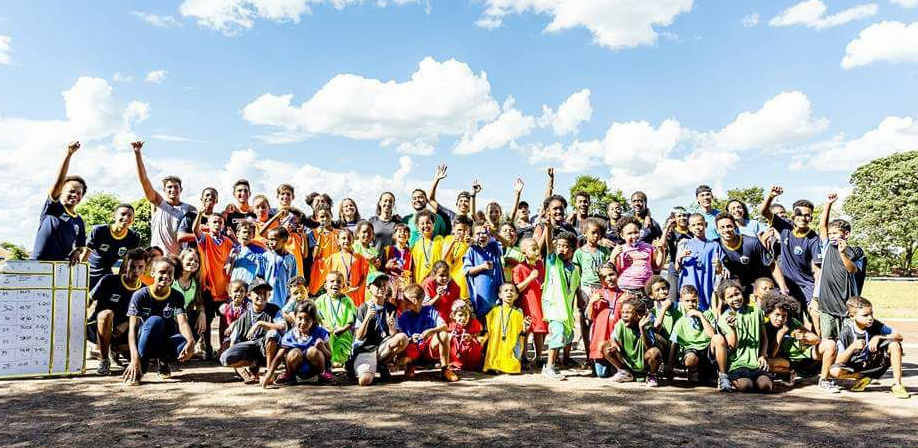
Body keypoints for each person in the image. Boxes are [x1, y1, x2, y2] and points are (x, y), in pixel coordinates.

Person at [122, 259, 196, 385]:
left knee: (184, 343)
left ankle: (164, 362)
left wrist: (191, 342)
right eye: (161, 272)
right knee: (155, 321)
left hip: (166, 339)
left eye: (170, 273)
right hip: (145, 339)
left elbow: (182, 322)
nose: (166, 276)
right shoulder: (140, 295)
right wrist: (134, 358)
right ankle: (140, 369)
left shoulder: (177, 295)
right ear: (152, 274)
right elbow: (133, 329)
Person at [760, 291, 839, 393]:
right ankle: (789, 373)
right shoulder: (765, 327)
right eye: (777, 315)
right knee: (763, 364)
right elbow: (771, 355)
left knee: (830, 344)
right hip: (786, 361)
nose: (780, 319)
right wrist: (781, 334)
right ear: (768, 313)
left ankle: (824, 380)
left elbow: (816, 339)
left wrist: (804, 337)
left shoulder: (792, 323)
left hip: (806, 357)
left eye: (784, 316)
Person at [830, 297, 909, 399]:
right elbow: (838, 360)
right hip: (857, 365)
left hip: (875, 362)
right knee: (834, 371)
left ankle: (897, 385)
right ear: (852, 316)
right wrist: (852, 347)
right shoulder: (845, 333)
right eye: (865, 315)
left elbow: (899, 336)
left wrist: (879, 337)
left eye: (871, 314)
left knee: (894, 345)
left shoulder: (875, 325)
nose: (870, 318)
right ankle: (862, 377)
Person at [760, 186, 821, 316]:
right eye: (799, 214)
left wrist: (815, 296)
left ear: (811, 218)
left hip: (805, 284)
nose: (803, 218)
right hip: (785, 282)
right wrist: (771, 196)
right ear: (793, 216)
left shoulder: (813, 238)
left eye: (807, 215)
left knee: (814, 313)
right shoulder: (784, 227)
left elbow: (817, 270)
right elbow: (764, 212)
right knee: (779, 313)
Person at [87, 248, 147, 375]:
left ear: (145, 268)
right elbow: (88, 300)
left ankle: (115, 350)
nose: (136, 271)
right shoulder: (108, 280)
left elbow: (142, 316)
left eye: (140, 267)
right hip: (99, 328)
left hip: (123, 333)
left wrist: (125, 325)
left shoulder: (144, 290)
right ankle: (104, 360)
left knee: (140, 357)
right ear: (126, 265)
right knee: (107, 314)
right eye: (132, 266)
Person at [816, 193, 866, 341]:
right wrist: (828, 204)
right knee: (827, 339)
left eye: (835, 233)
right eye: (830, 234)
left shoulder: (855, 251)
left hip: (847, 305)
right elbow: (822, 226)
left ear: (846, 234)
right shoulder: (826, 247)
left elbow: (852, 270)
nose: (831, 236)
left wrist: (843, 253)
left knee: (849, 340)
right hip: (826, 304)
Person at [132, 141, 195, 257]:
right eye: (169, 187)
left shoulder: (190, 209)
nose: (173, 190)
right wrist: (137, 154)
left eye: (176, 187)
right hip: (158, 258)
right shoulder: (158, 203)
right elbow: (144, 180)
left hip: (179, 260)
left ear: (181, 189)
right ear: (164, 190)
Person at [219, 279, 286, 385]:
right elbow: (234, 342)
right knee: (225, 358)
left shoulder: (274, 309)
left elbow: (282, 326)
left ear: (269, 295)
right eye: (258, 293)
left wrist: (260, 324)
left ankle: (269, 373)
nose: (261, 295)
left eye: (265, 292)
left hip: (271, 348)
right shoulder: (244, 316)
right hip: (253, 349)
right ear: (249, 295)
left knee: (272, 333)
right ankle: (255, 365)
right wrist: (240, 369)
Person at [348, 271, 409, 386]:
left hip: (382, 348)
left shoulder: (391, 308)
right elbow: (359, 336)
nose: (382, 287)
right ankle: (360, 365)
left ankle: (382, 364)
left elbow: (393, 335)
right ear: (369, 288)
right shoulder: (363, 308)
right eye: (377, 284)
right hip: (365, 349)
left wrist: (391, 327)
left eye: (384, 285)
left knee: (402, 338)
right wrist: (367, 318)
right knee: (365, 381)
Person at [33, 141, 87, 263]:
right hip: (39, 263)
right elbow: (58, 182)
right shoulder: (53, 208)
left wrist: (77, 251)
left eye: (79, 193)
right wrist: (68, 154)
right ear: (61, 191)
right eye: (71, 191)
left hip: (60, 266)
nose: (75, 195)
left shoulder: (79, 221)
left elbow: (80, 246)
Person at [716, 212, 788, 301]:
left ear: (735, 227)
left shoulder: (752, 242)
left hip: (760, 283)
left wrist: (783, 288)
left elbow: (772, 265)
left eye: (729, 226)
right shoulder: (716, 245)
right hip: (740, 286)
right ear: (717, 230)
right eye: (722, 227)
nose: (726, 230)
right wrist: (722, 267)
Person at [716, 280, 772, 393]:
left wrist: (762, 356)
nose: (735, 298)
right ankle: (728, 378)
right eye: (730, 296)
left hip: (755, 363)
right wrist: (733, 329)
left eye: (737, 294)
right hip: (737, 364)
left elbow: (764, 338)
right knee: (746, 386)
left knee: (765, 386)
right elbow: (732, 346)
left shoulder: (756, 312)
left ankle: (756, 378)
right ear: (724, 300)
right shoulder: (724, 319)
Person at [540, 226, 581, 380]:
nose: (562, 249)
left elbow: (574, 289)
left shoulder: (574, 269)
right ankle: (549, 367)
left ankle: (557, 363)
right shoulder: (553, 262)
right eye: (559, 245)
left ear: (572, 249)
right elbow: (550, 249)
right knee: (558, 334)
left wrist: (579, 302)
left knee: (566, 335)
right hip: (554, 307)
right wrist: (548, 228)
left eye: (566, 246)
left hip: (566, 309)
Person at [263, 301, 334, 387]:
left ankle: (322, 375)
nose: (303, 322)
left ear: (313, 320)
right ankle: (291, 376)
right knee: (294, 352)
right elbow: (279, 357)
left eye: (308, 319)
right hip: (297, 370)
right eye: (300, 318)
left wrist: (322, 348)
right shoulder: (289, 335)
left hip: (316, 369)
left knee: (313, 351)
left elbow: (329, 356)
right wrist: (270, 373)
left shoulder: (320, 333)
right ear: (295, 317)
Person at [396, 284, 459, 382]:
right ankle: (410, 365)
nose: (403, 302)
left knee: (443, 334)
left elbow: (444, 327)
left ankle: (445, 369)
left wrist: (431, 331)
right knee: (404, 355)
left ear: (414, 301)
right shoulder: (404, 316)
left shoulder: (430, 311)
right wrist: (411, 339)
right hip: (413, 349)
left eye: (405, 299)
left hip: (427, 348)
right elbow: (400, 336)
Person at [573, 218, 610, 360]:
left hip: (600, 288)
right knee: (585, 320)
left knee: (599, 320)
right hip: (585, 288)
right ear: (585, 233)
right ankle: (588, 354)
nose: (596, 236)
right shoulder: (579, 253)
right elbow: (577, 273)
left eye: (599, 233)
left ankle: (598, 353)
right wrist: (577, 290)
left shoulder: (604, 251)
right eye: (593, 232)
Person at [605, 298, 663, 387]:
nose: (624, 315)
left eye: (628, 312)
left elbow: (649, 348)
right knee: (604, 346)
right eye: (623, 312)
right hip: (628, 360)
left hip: (644, 362)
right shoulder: (620, 324)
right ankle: (625, 372)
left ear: (638, 315)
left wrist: (642, 329)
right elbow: (613, 338)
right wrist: (614, 345)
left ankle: (652, 375)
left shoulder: (647, 326)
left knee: (655, 352)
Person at [86, 203, 141, 289]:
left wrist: (119, 282)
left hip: (106, 275)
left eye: (130, 215)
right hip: (87, 273)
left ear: (133, 219)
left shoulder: (134, 237)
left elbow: (126, 262)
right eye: (123, 214)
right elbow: (84, 255)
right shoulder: (99, 231)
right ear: (114, 216)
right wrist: (77, 273)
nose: (126, 218)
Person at [513, 238, 547, 367]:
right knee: (526, 331)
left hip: (539, 301)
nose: (537, 251)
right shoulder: (519, 268)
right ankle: (523, 356)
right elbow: (517, 288)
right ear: (524, 251)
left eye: (537, 248)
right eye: (533, 248)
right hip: (526, 302)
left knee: (540, 330)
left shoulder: (540, 265)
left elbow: (543, 280)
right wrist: (531, 277)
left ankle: (539, 357)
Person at [586, 263, 624, 377]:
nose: (609, 279)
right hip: (601, 337)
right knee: (602, 374)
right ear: (600, 280)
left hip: (616, 339)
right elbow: (589, 316)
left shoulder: (624, 295)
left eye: (611, 274)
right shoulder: (597, 294)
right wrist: (591, 302)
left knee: (617, 370)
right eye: (604, 277)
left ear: (617, 274)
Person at [675, 213, 720, 311]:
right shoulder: (684, 244)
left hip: (706, 284)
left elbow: (719, 271)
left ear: (706, 225)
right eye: (694, 225)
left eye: (700, 224)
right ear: (689, 227)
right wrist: (680, 257)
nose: (697, 227)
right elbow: (677, 268)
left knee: (706, 312)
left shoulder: (714, 245)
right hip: (689, 284)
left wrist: (718, 265)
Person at [612, 216, 665, 296]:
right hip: (627, 289)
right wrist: (613, 256)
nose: (633, 236)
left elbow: (657, 267)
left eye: (636, 232)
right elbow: (614, 271)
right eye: (629, 233)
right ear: (622, 235)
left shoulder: (648, 247)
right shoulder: (620, 250)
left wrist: (661, 251)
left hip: (647, 289)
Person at [483, 283, 529, 374]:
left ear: (516, 296)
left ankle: (510, 363)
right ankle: (493, 365)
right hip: (495, 351)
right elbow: (486, 332)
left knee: (512, 367)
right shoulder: (493, 312)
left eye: (512, 291)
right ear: (500, 295)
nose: (509, 293)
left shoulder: (518, 313)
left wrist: (525, 330)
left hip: (510, 350)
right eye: (506, 290)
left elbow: (520, 336)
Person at [314, 272, 357, 366]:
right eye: (332, 281)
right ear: (325, 285)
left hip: (343, 335)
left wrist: (343, 329)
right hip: (325, 334)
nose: (335, 284)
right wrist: (324, 326)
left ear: (343, 285)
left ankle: (337, 361)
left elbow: (351, 320)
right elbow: (316, 317)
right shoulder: (320, 300)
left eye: (338, 282)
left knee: (341, 353)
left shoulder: (348, 301)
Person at [463, 223, 505, 320]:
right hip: (480, 299)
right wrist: (483, 267)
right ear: (473, 236)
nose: (482, 235)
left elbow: (505, 243)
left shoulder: (494, 247)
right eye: (478, 233)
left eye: (485, 233)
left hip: (496, 300)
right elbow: (467, 271)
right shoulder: (471, 250)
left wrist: (492, 232)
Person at [172, 248, 208, 356]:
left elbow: (199, 301)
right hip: (169, 318)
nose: (193, 263)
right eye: (190, 259)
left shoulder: (194, 282)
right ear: (181, 260)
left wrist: (202, 313)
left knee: (196, 317)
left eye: (196, 261)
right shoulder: (172, 278)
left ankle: (190, 347)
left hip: (183, 318)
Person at [645, 275, 680, 378]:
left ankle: (670, 367)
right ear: (651, 295)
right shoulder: (652, 312)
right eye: (657, 290)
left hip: (677, 346)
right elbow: (656, 327)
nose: (662, 292)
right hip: (663, 347)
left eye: (664, 288)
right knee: (653, 335)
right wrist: (664, 309)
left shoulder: (679, 307)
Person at [326, 229, 370, 307]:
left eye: (349, 238)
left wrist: (358, 288)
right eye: (343, 238)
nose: (347, 240)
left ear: (353, 240)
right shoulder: (333, 258)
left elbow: (365, 275)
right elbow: (328, 277)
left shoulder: (359, 258)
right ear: (338, 241)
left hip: (355, 292)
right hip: (339, 291)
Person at [307, 204, 339, 296]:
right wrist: (320, 235)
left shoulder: (338, 233)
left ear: (331, 216)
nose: (325, 219)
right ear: (317, 218)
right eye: (322, 217)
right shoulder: (313, 233)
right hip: (319, 274)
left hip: (335, 273)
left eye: (327, 216)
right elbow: (315, 255)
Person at [263, 227, 297, 308]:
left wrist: (291, 298)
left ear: (284, 240)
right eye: (269, 240)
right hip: (267, 300)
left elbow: (294, 280)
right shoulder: (266, 257)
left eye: (274, 239)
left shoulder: (291, 258)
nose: (271, 242)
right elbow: (259, 277)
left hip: (283, 301)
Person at [447, 300, 485, 372]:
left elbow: (481, 335)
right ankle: (453, 363)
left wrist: (472, 337)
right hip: (457, 353)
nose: (464, 318)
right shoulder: (451, 324)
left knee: (478, 341)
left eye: (466, 315)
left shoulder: (474, 323)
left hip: (470, 351)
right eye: (460, 315)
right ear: (454, 316)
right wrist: (451, 336)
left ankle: (473, 365)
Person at [382, 223, 413, 310]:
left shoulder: (411, 252)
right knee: (390, 306)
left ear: (409, 236)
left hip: (404, 283)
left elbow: (413, 269)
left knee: (403, 308)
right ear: (394, 235)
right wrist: (386, 266)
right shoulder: (387, 250)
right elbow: (380, 267)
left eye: (405, 231)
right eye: (400, 231)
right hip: (390, 283)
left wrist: (409, 273)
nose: (403, 233)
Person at [410, 210, 445, 284]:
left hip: (438, 283)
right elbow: (414, 268)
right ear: (418, 227)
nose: (425, 226)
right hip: (421, 284)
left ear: (433, 225)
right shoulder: (416, 246)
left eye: (428, 223)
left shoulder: (440, 240)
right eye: (422, 224)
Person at [442, 215, 472, 302]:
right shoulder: (448, 239)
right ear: (454, 229)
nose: (461, 233)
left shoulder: (469, 242)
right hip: (449, 278)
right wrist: (453, 242)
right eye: (459, 230)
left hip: (463, 281)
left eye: (464, 230)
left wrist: (469, 242)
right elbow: (443, 257)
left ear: (469, 230)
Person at [218, 280, 250, 353]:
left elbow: (246, 319)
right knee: (221, 355)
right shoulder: (226, 308)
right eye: (236, 291)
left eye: (242, 291)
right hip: (229, 336)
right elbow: (223, 325)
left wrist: (234, 324)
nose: (238, 294)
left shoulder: (247, 307)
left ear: (245, 293)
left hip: (243, 336)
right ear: (230, 293)